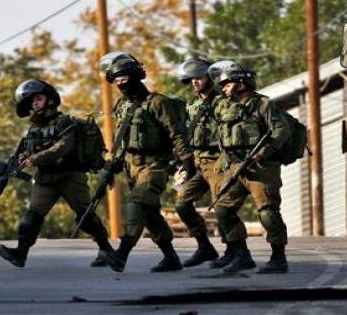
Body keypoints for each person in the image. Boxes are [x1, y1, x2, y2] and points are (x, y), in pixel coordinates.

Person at [0, 79, 122, 270]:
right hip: (45, 179)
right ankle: (21, 253)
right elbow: (29, 150)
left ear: (50, 99)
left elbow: (63, 147)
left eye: (38, 98)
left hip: (70, 176)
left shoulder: (64, 122)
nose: (35, 103)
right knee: (31, 217)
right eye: (31, 101)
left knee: (85, 216)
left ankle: (106, 250)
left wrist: (35, 159)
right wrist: (22, 157)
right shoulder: (34, 128)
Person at [98, 52, 195, 273]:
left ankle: (121, 254)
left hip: (155, 165)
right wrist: (112, 163)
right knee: (150, 214)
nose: (121, 83)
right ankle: (171, 258)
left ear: (136, 76)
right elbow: (121, 137)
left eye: (124, 77)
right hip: (132, 166)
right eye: (116, 79)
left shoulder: (158, 103)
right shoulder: (122, 105)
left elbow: (177, 134)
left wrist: (187, 161)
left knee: (137, 203)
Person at [209, 60, 291, 273]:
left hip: (261, 168)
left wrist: (262, 153)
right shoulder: (226, 108)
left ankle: (278, 257)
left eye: (227, 84)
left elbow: (281, 131)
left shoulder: (263, 104)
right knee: (223, 208)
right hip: (235, 166)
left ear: (240, 83)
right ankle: (241, 254)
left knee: (267, 212)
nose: (223, 88)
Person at [172, 58, 222, 268]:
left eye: (199, 77)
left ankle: (239, 252)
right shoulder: (192, 105)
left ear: (209, 77)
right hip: (198, 162)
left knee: (223, 208)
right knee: (182, 203)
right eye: (191, 79)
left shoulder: (222, 102)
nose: (194, 82)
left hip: (219, 162)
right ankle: (204, 247)